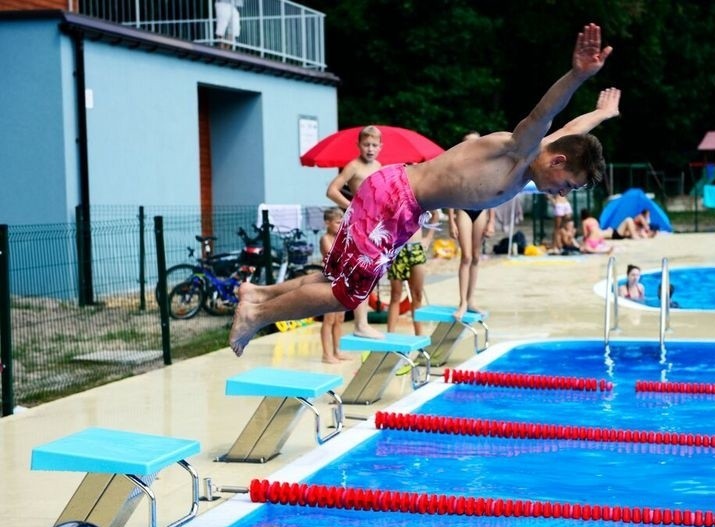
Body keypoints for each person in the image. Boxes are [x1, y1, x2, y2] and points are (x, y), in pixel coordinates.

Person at [230, 23, 616, 356]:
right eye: (566, 185)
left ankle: (259, 295)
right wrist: (577, 76)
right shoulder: (521, 150)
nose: (561, 194)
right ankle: (256, 316)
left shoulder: (546, 156)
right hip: (396, 198)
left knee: (337, 278)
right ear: (558, 162)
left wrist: (601, 113)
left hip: (401, 205)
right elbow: (543, 115)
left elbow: (571, 130)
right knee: (346, 295)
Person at [324, 125, 385, 339]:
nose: (370, 149)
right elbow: (331, 190)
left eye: (374, 145)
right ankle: (361, 324)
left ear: (380, 147)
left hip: (375, 225)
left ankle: (363, 322)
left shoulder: (378, 165)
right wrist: (351, 206)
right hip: (359, 224)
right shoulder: (353, 166)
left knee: (371, 272)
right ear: (358, 145)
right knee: (363, 271)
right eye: (366, 144)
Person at [448, 131, 496, 320]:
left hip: (482, 210)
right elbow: (450, 193)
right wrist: (451, 220)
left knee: (476, 256)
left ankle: (471, 300)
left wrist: (491, 220)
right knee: (466, 256)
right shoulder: (458, 166)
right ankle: (462, 303)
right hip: (463, 210)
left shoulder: (488, 167)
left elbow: (494, 194)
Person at [387, 210, 440, 335]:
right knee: (395, 295)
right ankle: (390, 335)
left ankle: (419, 335)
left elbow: (436, 213)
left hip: (416, 249)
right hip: (397, 249)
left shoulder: (418, 195)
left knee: (417, 295)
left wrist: (428, 238)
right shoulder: (394, 196)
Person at [318, 207, 349, 364]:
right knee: (329, 319)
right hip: (330, 282)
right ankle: (326, 354)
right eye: (338, 222)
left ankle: (337, 351)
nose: (341, 225)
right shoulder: (326, 239)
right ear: (327, 223)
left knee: (339, 318)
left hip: (342, 281)